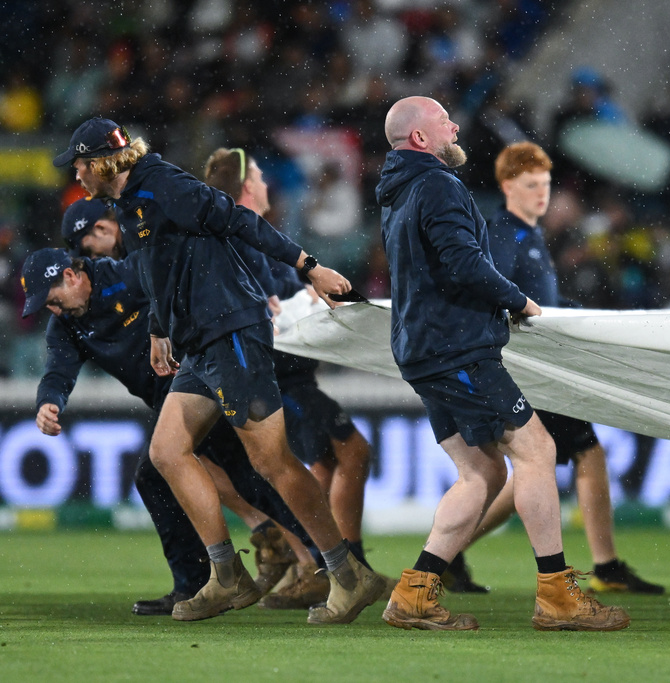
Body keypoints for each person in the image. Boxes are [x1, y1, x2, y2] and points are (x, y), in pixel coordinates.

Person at [52, 116, 384, 623]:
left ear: (100, 161)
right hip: (198, 341)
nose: (75, 174)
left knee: (272, 463)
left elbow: (239, 221)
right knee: (167, 453)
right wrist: (162, 327)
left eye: (78, 164)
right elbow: (155, 268)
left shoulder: (167, 186)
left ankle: (347, 573)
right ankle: (227, 576)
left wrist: (308, 265)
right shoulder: (128, 201)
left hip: (231, 331)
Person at [375, 95, 629, 631]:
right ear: (421, 139)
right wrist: (517, 301)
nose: (456, 125)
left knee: (480, 471)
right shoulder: (438, 185)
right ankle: (557, 596)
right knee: (537, 449)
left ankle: (414, 594)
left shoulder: (395, 192)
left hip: (420, 348)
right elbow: (462, 263)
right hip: (455, 347)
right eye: (445, 121)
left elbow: (426, 270)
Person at [21, 247, 315, 614]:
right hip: (174, 399)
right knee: (245, 474)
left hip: (202, 379)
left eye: (53, 300)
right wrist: (49, 402)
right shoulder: (66, 325)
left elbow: (188, 277)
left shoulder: (127, 275)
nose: (54, 311)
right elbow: (57, 372)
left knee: (230, 473)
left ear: (71, 276)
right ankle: (317, 558)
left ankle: (298, 562)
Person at [442, 141, 663, 596]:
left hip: (541, 365)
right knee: (576, 454)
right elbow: (496, 288)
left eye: (545, 184)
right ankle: (604, 567)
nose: (541, 193)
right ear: (507, 186)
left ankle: (451, 552)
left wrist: (568, 310)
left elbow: (531, 298)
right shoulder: (506, 232)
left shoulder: (531, 233)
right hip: (531, 368)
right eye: (530, 185)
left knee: (543, 463)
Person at [203, 146, 395, 608]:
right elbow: (272, 307)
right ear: (246, 187)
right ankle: (335, 564)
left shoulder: (254, 239)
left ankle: (324, 565)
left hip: (291, 377)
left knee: (330, 462)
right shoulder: (243, 242)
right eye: (262, 177)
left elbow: (287, 298)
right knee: (348, 453)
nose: (269, 185)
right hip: (280, 380)